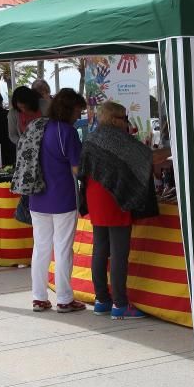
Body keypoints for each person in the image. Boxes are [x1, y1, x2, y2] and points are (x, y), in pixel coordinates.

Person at [80, 101, 158, 320]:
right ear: (115, 119)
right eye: (124, 118)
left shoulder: (91, 139)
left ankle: (101, 300)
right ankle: (120, 304)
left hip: (95, 198)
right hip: (116, 198)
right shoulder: (121, 140)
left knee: (100, 249)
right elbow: (146, 157)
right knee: (118, 254)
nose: (127, 122)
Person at [29, 88, 87, 314]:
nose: (78, 115)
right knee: (63, 249)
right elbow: (77, 168)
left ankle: (39, 297)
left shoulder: (38, 127)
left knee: (40, 248)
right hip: (62, 197)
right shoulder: (68, 132)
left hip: (37, 196)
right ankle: (64, 298)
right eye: (78, 111)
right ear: (69, 109)